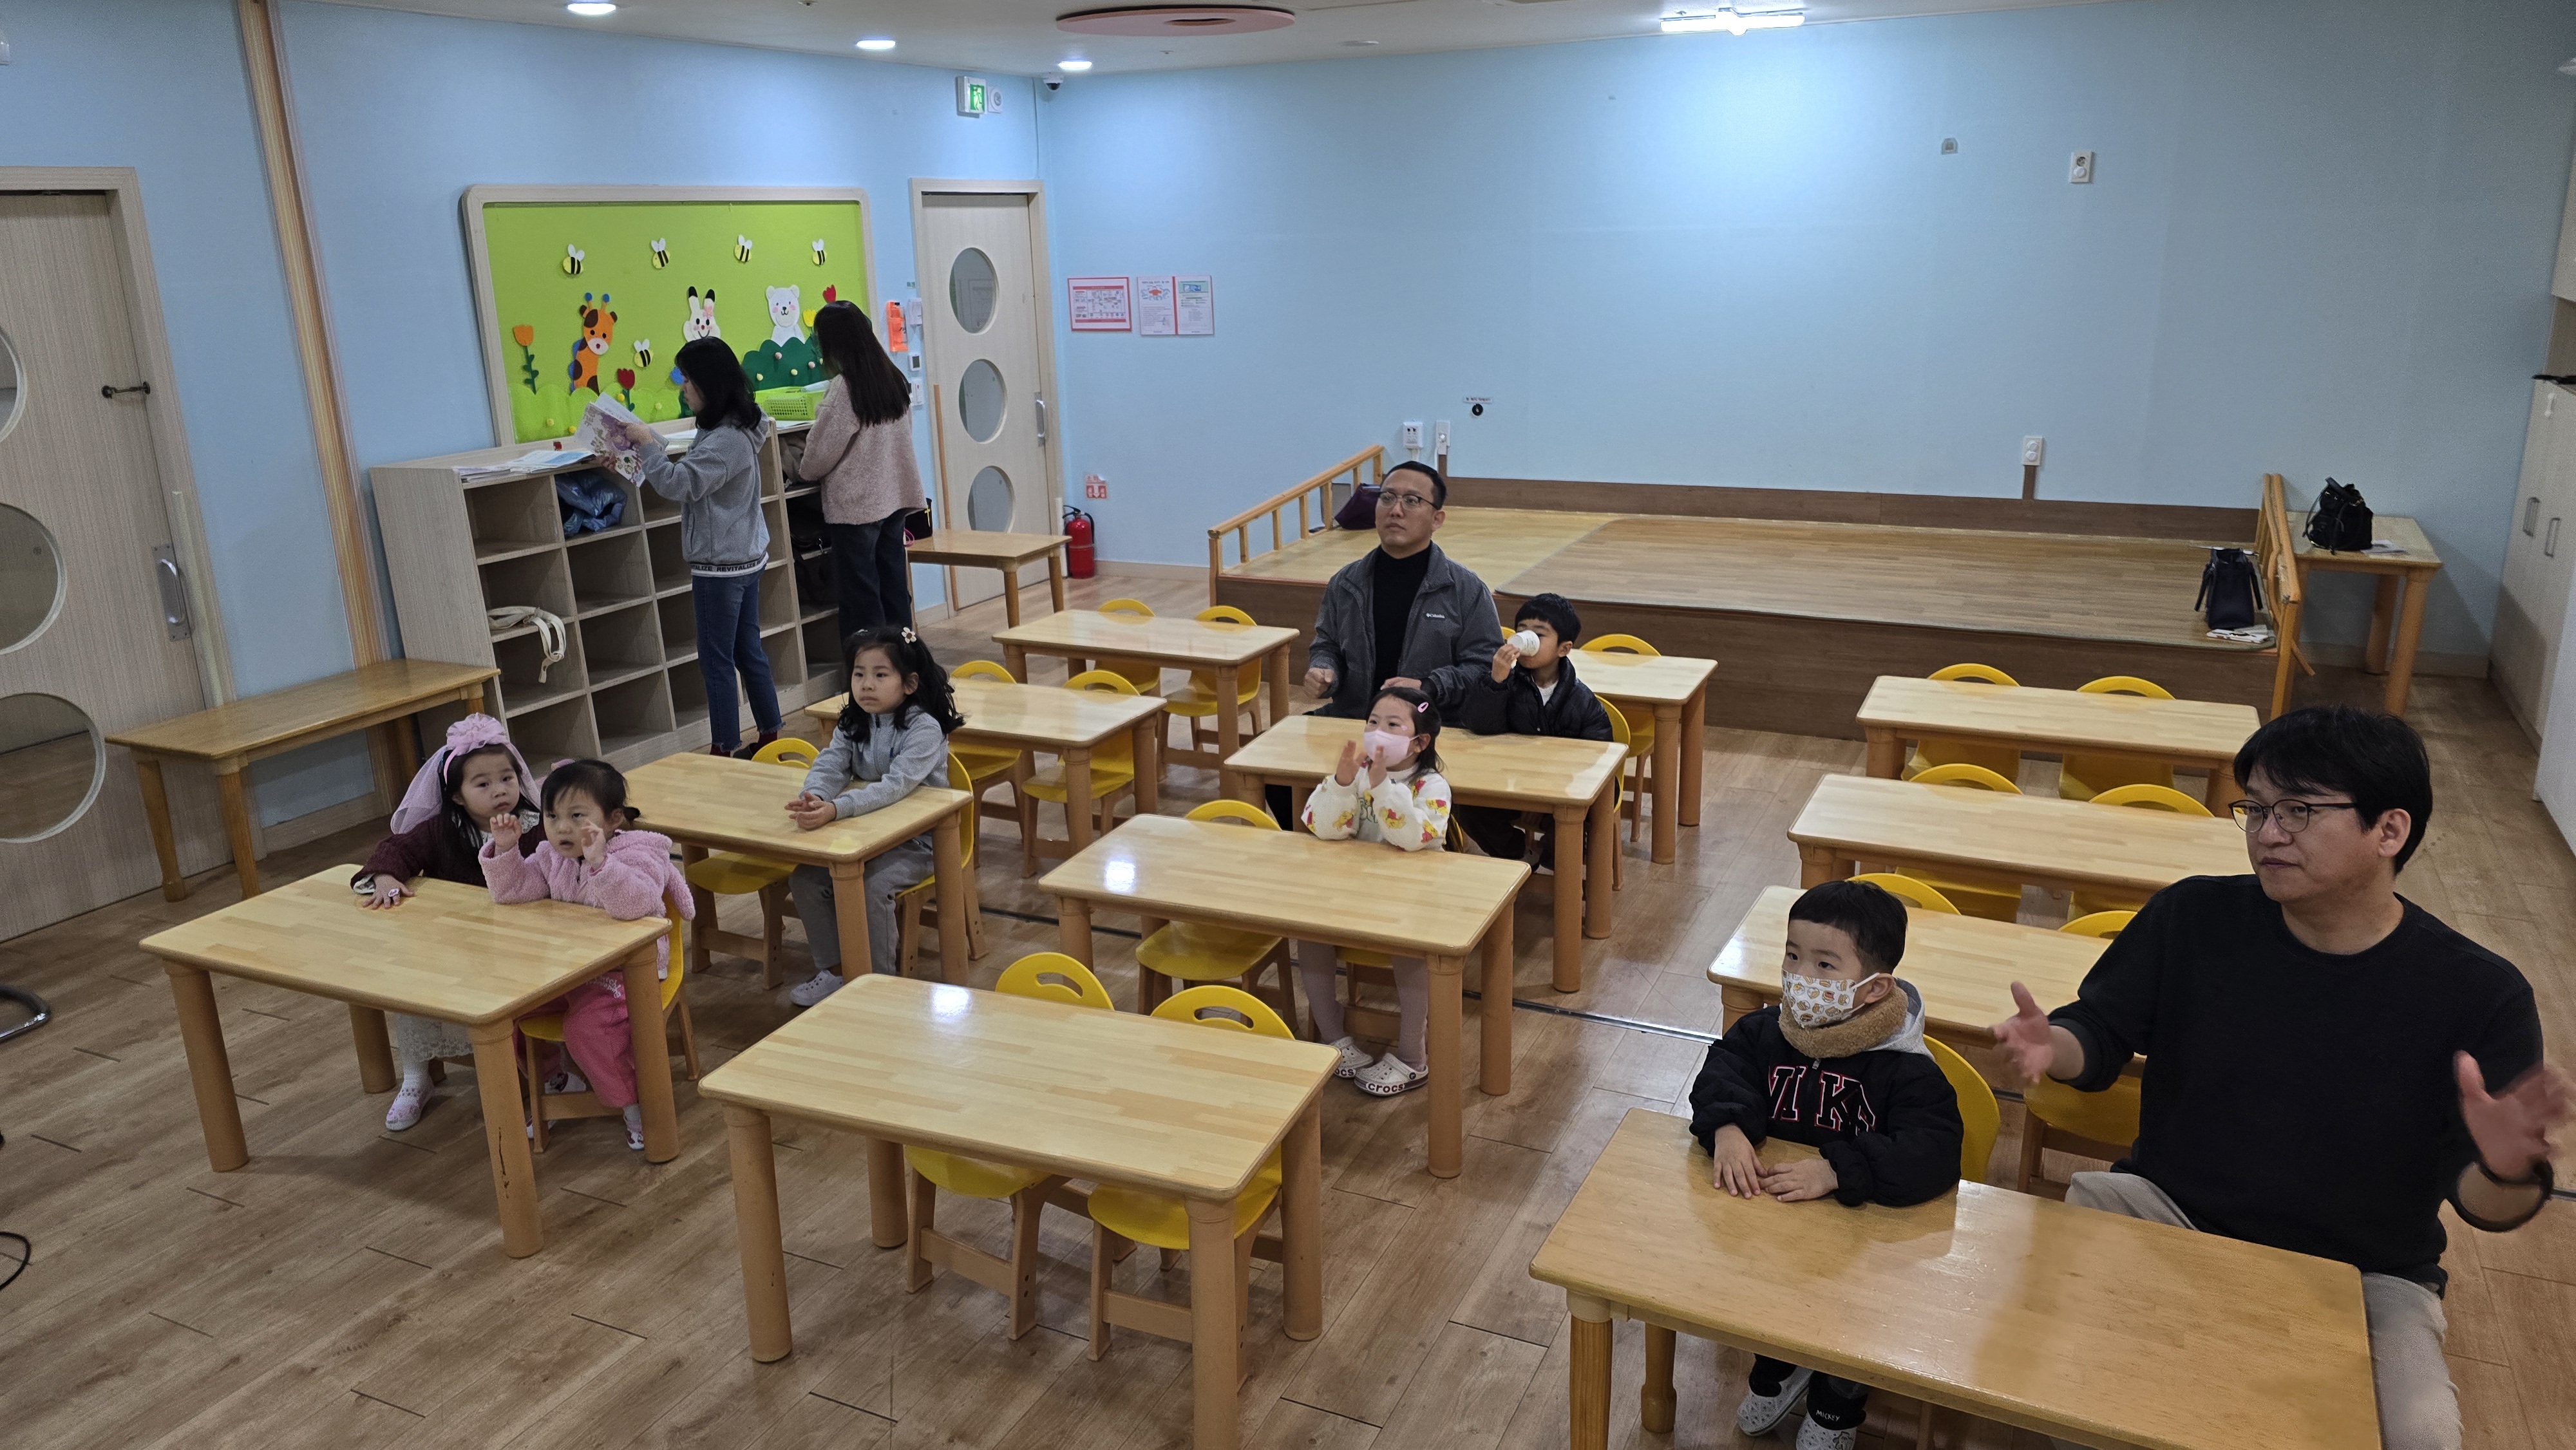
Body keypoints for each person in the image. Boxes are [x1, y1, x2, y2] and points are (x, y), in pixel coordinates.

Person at [1989, 706, 2570, 1450]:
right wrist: (2056, 1045)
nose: (2268, 833)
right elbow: (2098, 1035)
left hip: (2364, 1272)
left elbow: (2485, 1204)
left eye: (2298, 810)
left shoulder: (2480, 993)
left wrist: (2505, 1165)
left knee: (2419, 1437)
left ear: (2389, 830)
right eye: (2257, 808)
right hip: (2172, 1214)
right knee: (2054, 1375)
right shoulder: (2194, 916)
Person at [1687, 879, 1964, 1450]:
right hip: (1777, 1228)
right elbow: (1724, 1071)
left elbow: (1933, 1152)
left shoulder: (1906, 1068)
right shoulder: (1766, 1031)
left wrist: (1839, 1169)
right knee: (1772, 1296)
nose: (1800, 977)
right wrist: (1728, 1127)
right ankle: (1780, 1364)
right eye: (1793, 956)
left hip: (1865, 1245)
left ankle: (1839, 1398)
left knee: (1855, 1319)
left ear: (1874, 988)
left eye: (1824, 965)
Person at [481, 758, 693, 1152]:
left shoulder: (639, 853)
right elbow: (512, 893)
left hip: (628, 972)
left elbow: (636, 905)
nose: (562, 828)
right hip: (568, 969)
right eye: (552, 816)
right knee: (507, 1011)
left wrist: (601, 863)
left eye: (577, 816)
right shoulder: (550, 856)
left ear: (613, 820)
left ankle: (634, 1102)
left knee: (587, 1028)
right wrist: (507, 850)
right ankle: (555, 1079)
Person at [1274, 460, 1500, 824]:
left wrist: (1428, 686)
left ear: (1437, 519)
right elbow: (1327, 643)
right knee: (1274, 766)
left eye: (1412, 501)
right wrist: (1324, 670)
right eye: (1387, 498)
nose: (1396, 510)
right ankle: (1332, 847)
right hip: (1355, 720)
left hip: (1427, 732)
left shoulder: (1465, 589)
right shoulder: (1346, 582)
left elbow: (1484, 668)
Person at [350, 714, 541, 1131]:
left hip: (521, 945)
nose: (500, 790)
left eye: (507, 778)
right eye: (482, 784)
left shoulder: (534, 825)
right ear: (456, 796)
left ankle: (534, 1074)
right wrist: (385, 876)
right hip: (457, 944)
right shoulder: (441, 830)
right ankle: (416, 1078)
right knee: (414, 993)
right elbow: (397, 849)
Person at [784, 626, 963, 1004]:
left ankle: (879, 987)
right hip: (866, 835)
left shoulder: (924, 729)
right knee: (806, 879)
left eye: (881, 675)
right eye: (859, 674)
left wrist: (837, 809)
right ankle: (835, 971)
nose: (867, 685)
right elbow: (831, 763)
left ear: (909, 684)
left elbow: (896, 786)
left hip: (920, 842)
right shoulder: (855, 720)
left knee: (871, 886)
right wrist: (815, 796)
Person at [623, 337, 782, 758]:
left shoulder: (724, 440)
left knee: (717, 662)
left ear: (708, 383)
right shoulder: (735, 426)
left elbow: (679, 483)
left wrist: (647, 447)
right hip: (744, 557)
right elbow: (697, 464)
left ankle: (724, 749)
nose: (683, 388)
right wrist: (646, 441)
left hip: (722, 567)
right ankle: (771, 736)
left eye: (688, 379)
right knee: (747, 651)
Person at [1295, 685, 1456, 1097]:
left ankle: (1412, 1056)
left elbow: (1413, 839)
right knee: (1310, 931)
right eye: (1372, 722)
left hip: (1413, 899)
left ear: (1419, 742)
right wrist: (1341, 783)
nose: (1378, 731)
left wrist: (1383, 789)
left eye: (1392, 725)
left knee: (1409, 947)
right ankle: (1333, 1036)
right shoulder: (1356, 773)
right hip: (1354, 892)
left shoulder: (1432, 786)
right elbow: (1321, 827)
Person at [1454, 590, 1613, 862]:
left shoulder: (1581, 700)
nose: (1526, 639)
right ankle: (1519, 854)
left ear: (1564, 649)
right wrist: (1496, 681)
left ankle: (1557, 863)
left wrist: (1545, 798)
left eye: (1538, 634)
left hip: (1564, 793)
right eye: (1521, 631)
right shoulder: (1507, 684)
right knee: (1466, 803)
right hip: (1512, 786)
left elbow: (1597, 760)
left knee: (1580, 822)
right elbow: (1481, 726)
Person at [798, 299, 924, 641]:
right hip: (894, 499)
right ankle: (903, 658)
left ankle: (868, 666)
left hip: (857, 508)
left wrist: (802, 467)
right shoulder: (892, 377)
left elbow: (817, 458)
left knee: (861, 598)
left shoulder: (845, 387)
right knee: (893, 587)